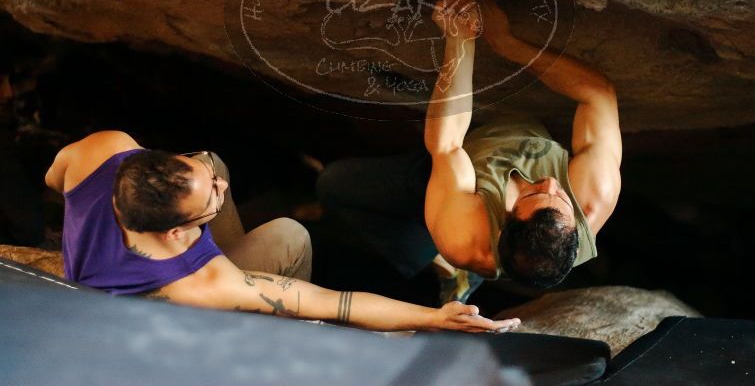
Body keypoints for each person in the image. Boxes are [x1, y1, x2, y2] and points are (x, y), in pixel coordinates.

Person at [44, 130, 520, 333]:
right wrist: (435, 317)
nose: (222, 188)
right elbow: (336, 303)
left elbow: (53, 179)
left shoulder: (103, 150)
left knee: (213, 156)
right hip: (154, 316)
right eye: (212, 198)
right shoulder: (202, 284)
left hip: (125, 255)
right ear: (175, 233)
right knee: (290, 235)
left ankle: (205, 196)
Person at [318, 0, 621, 302]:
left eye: (534, 193)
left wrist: (460, 38)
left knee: (333, 184)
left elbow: (447, 145)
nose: (552, 182)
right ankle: (448, 267)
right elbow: (599, 93)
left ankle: (444, 264)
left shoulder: (464, 237)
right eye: (561, 198)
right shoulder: (595, 194)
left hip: (452, 177)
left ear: (504, 222)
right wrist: (507, 44)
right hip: (490, 147)